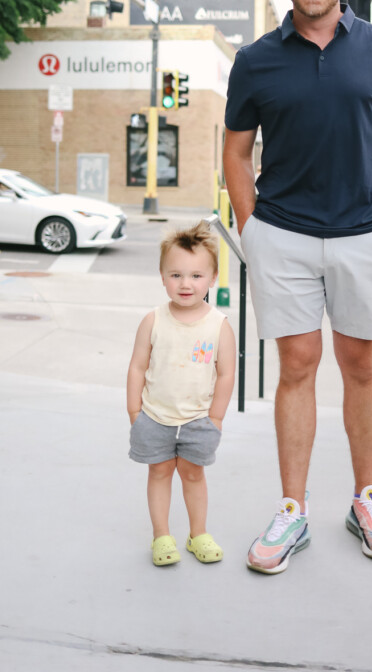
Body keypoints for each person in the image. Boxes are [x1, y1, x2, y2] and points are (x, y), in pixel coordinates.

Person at [223, 0, 372, 574]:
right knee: (298, 367)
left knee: (361, 366)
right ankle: (292, 510)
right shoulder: (255, 60)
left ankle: (366, 499)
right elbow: (234, 153)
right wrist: (252, 229)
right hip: (282, 234)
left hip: (367, 236)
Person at [127, 222, 236, 567]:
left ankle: (197, 533)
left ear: (212, 277)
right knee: (158, 473)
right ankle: (162, 536)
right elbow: (137, 367)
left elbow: (226, 373)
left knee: (193, 474)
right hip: (154, 417)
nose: (186, 284)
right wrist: (134, 412)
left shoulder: (218, 325)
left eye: (195, 275)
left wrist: (216, 417)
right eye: (176, 275)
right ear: (162, 276)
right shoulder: (153, 320)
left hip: (199, 420)